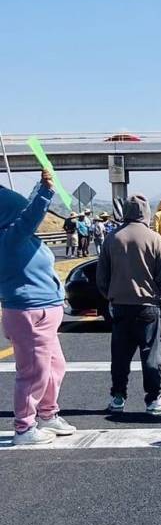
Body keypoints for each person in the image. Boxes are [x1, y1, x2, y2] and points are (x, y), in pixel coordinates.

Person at [1, 170, 76, 445]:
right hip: (30, 312)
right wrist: (45, 190)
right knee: (33, 372)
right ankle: (25, 427)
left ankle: (47, 414)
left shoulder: (16, 236)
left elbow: (25, 212)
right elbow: (30, 215)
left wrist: (38, 188)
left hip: (41, 311)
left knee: (55, 367)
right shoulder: (10, 238)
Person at [97, 194, 161, 416]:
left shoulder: (112, 238)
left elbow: (102, 277)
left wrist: (111, 296)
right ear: (145, 212)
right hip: (147, 304)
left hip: (120, 304)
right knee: (150, 353)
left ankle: (118, 397)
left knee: (120, 355)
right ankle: (154, 398)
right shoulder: (154, 238)